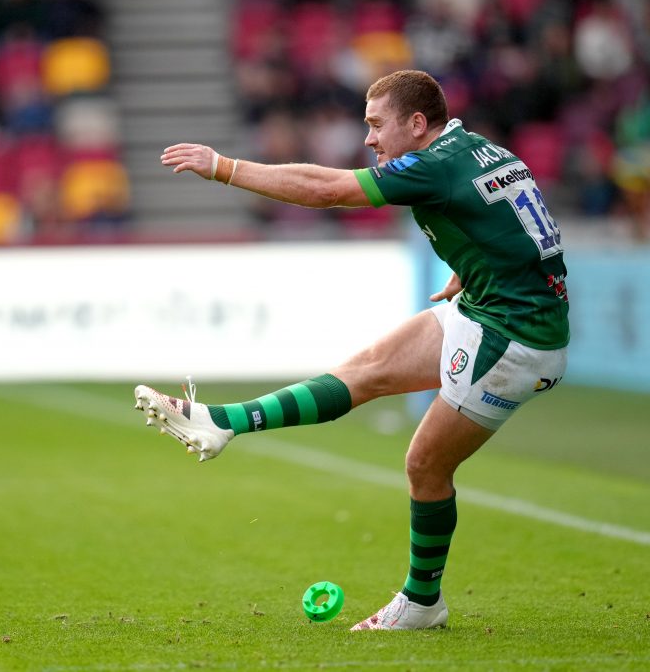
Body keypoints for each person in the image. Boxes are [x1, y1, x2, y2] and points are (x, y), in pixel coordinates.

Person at [134, 69, 569, 631]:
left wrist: (223, 168)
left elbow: (327, 190)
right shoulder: (478, 148)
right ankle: (220, 422)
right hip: (491, 306)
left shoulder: (433, 166)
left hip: (515, 338)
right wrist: (472, 266)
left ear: (417, 124)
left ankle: (421, 603)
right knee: (364, 371)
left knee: (425, 466)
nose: (368, 139)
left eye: (375, 125)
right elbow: (518, 222)